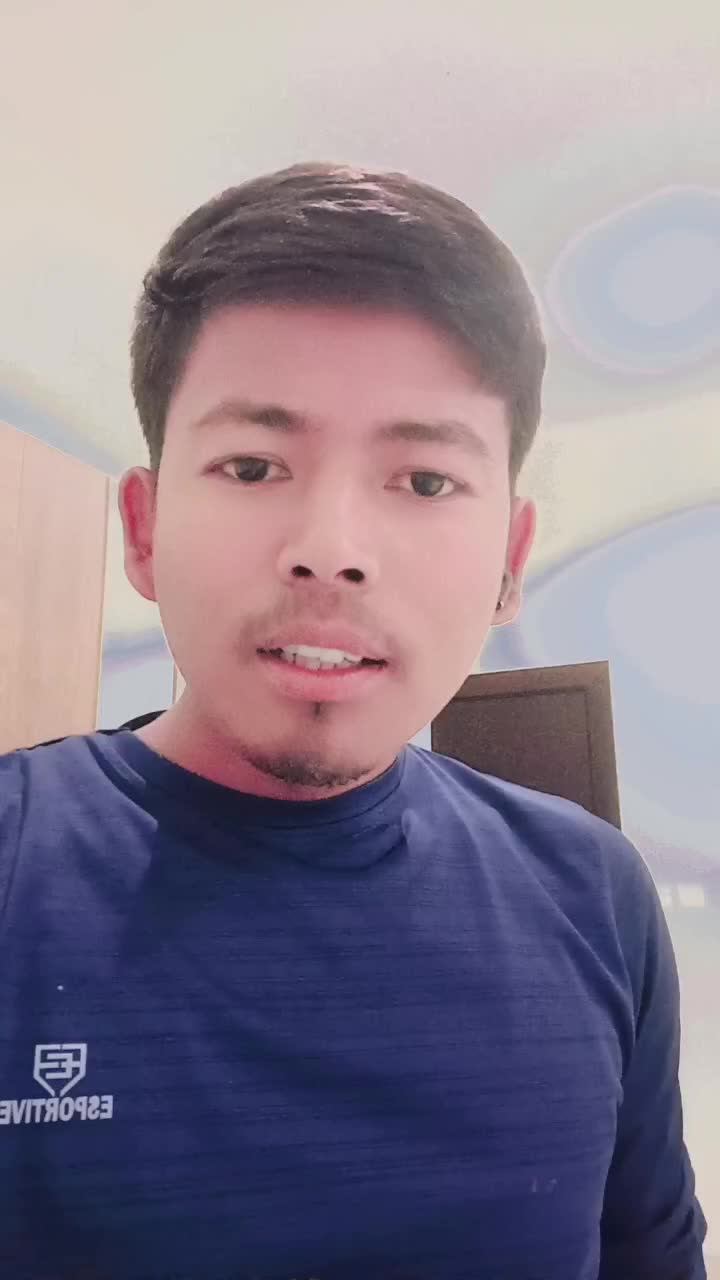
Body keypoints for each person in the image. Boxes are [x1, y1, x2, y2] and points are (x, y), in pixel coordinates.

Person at [0, 163, 707, 1280]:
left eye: (423, 481)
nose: (330, 548)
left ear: (510, 559)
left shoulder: (595, 894)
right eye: (252, 465)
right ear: (141, 529)